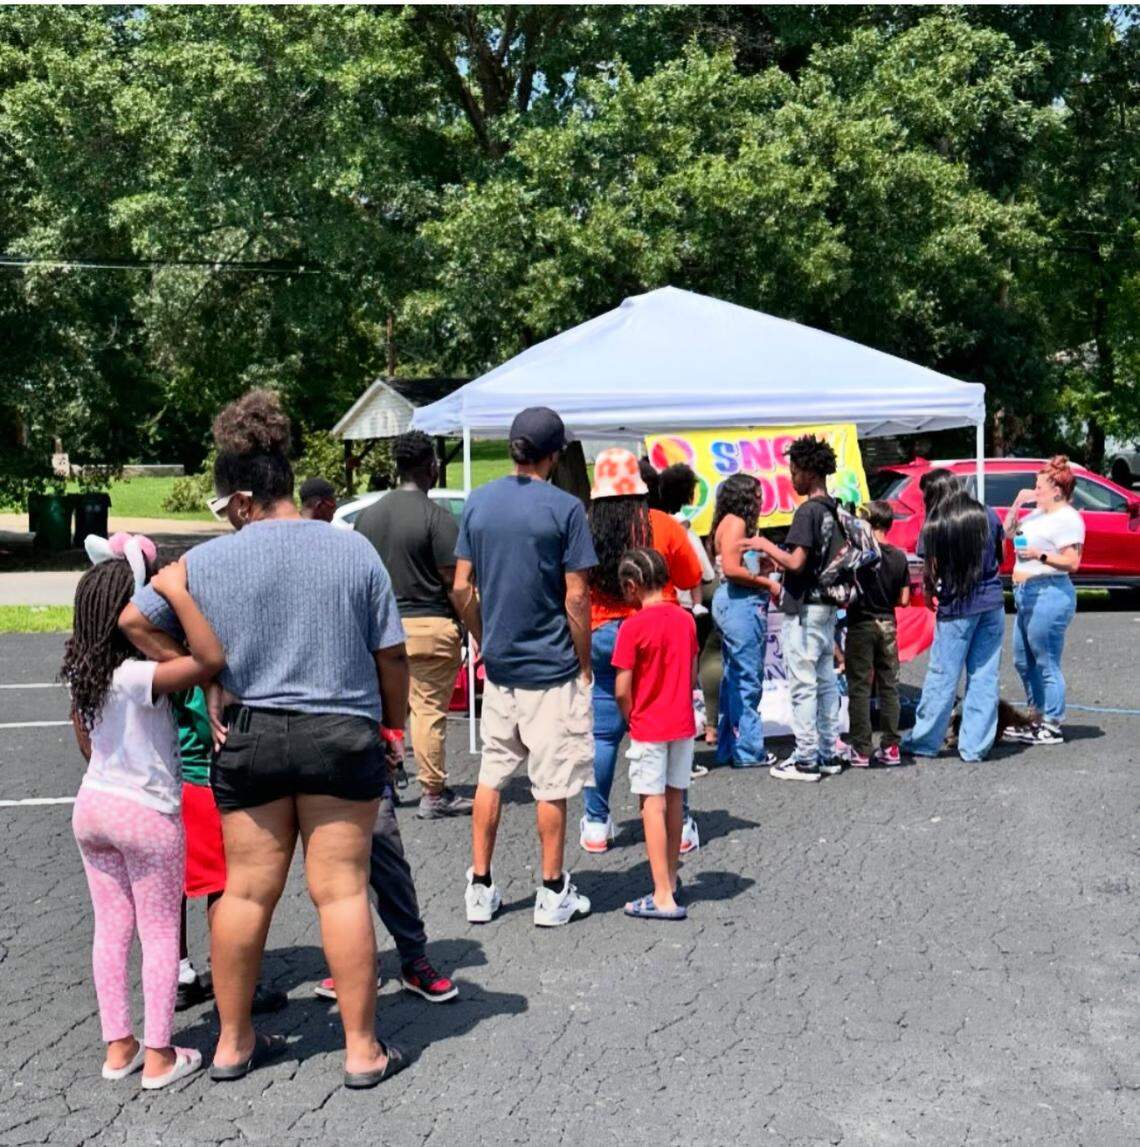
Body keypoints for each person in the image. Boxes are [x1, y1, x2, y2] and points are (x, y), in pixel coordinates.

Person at [121, 389, 410, 1089]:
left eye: (223, 506)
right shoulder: (354, 551)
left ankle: (231, 1042)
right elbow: (391, 657)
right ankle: (363, 1049)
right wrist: (393, 724)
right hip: (341, 734)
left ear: (244, 498)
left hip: (248, 735)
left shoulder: (206, 564)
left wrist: (197, 671)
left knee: (246, 893)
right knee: (340, 891)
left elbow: (133, 618)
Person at [62, 545, 224, 1089]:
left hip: (93, 807)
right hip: (147, 810)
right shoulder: (135, 674)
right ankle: (159, 1055)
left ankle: (119, 1048)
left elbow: (87, 743)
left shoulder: (82, 674)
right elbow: (207, 662)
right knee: (158, 934)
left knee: (110, 930)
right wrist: (175, 594)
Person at [453, 407, 597, 928]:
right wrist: (583, 662)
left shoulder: (479, 502)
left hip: (502, 667)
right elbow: (576, 596)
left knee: (492, 773)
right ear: (554, 455)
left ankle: (480, 884)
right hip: (551, 666)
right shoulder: (566, 508)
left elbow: (459, 586)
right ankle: (552, 889)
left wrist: (484, 636)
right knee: (551, 782)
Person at [580, 449, 703, 855]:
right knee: (667, 727)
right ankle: (679, 824)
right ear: (641, 486)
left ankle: (596, 825)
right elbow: (690, 576)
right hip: (657, 633)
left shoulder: (583, 528)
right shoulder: (663, 525)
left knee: (602, 734)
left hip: (601, 634)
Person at [355, 431, 470, 819]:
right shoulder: (437, 518)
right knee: (429, 711)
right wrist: (475, 629)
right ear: (431, 468)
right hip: (430, 628)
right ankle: (433, 792)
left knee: (389, 711)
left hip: (381, 630)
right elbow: (456, 586)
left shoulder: (368, 518)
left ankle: (387, 780)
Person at [174, 684, 289, 1015]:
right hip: (202, 778)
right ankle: (236, 980)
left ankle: (179, 973)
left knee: (174, 887)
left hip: (169, 778)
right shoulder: (192, 665)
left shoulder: (157, 661)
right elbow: (205, 724)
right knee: (223, 885)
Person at [751, 436, 847, 782]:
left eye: (794, 470)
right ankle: (828, 752)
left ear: (809, 471)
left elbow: (796, 560)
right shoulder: (834, 508)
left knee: (803, 684)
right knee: (824, 682)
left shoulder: (807, 511)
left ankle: (806, 758)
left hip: (805, 607)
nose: (792, 478)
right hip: (827, 604)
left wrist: (765, 545)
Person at [613, 549, 698, 921]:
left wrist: (630, 717)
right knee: (676, 797)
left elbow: (621, 688)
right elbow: (692, 671)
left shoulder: (631, 627)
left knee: (652, 802)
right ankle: (672, 877)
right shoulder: (685, 620)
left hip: (649, 723)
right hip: (681, 719)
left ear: (632, 586)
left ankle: (661, 893)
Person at [902, 477, 1006, 762]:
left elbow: (929, 570)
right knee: (984, 676)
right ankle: (975, 746)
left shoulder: (936, 524)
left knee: (942, 676)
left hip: (956, 606)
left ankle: (925, 740)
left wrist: (927, 591)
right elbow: (1002, 555)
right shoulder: (988, 513)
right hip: (992, 603)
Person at [1003, 455, 1084, 746]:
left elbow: (1072, 561)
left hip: (1049, 591)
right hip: (1025, 593)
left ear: (1057, 490)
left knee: (1046, 660)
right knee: (1023, 660)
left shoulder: (1067, 519)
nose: (1035, 491)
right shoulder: (1036, 514)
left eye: (1039, 487)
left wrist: (1040, 555)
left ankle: (1052, 722)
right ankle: (1035, 717)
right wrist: (1017, 503)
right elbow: (1008, 532)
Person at [709, 474, 782, 770]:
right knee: (747, 678)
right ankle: (749, 750)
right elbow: (731, 568)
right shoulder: (737, 522)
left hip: (731, 602)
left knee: (733, 678)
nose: (761, 501)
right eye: (756, 495)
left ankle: (730, 746)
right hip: (741, 604)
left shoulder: (725, 522)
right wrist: (768, 583)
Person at [842, 500, 910, 767]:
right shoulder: (899, 556)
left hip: (860, 624)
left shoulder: (858, 556)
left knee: (859, 687)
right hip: (887, 623)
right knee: (889, 685)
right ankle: (891, 746)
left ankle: (861, 748)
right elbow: (904, 599)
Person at [658, 463, 718, 764]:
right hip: (683, 608)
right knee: (694, 670)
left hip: (663, 607)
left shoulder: (653, 524)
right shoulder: (680, 528)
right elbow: (701, 572)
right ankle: (704, 731)